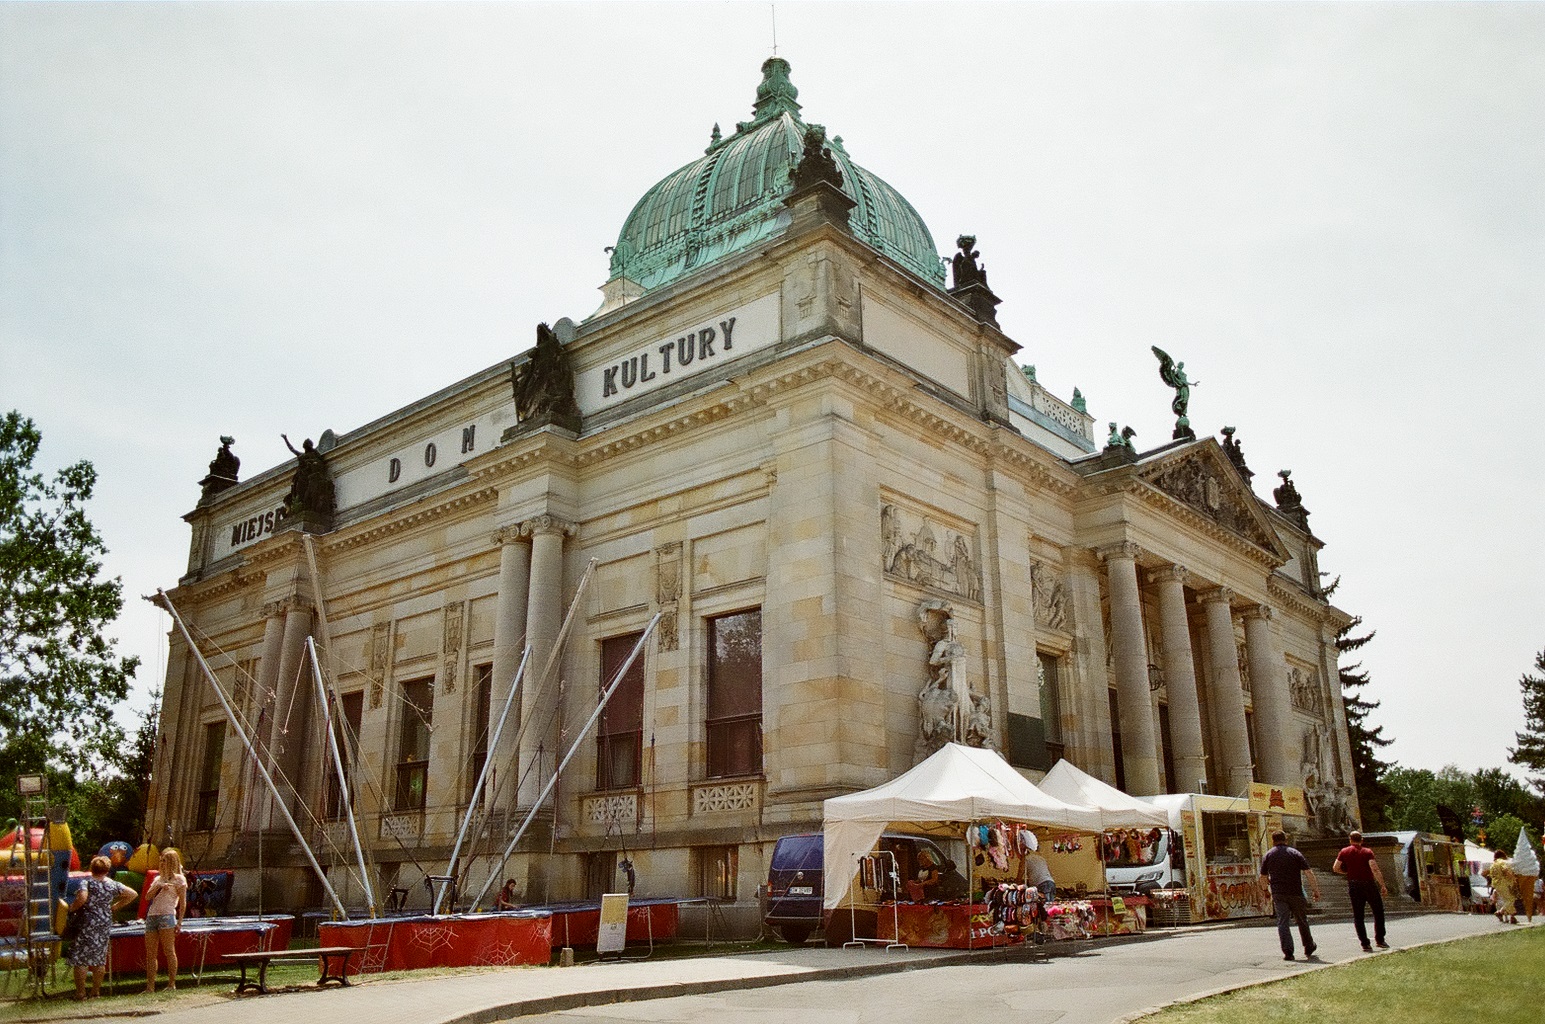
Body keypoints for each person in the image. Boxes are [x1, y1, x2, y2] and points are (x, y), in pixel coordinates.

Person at [68, 855, 139, 1000]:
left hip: (87, 921)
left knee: (82, 958)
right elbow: (132, 894)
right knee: (100, 958)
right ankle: (96, 991)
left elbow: (82, 898)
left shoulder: (87, 882)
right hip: (104, 921)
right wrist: (114, 907)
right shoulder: (112, 884)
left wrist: (71, 908)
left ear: (92, 869)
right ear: (107, 869)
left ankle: (81, 993)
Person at [1258, 830, 1321, 962]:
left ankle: (1288, 951)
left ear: (1273, 840)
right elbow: (1308, 872)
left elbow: (1263, 876)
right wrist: (1315, 890)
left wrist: (1265, 891)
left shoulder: (1268, 855)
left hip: (1278, 892)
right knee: (1302, 920)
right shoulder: (1295, 853)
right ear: (1285, 839)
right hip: (1295, 892)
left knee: (1283, 921)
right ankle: (1308, 946)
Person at [1332, 830, 1389, 952]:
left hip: (1353, 884)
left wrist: (1347, 872)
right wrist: (1382, 885)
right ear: (1361, 840)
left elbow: (1335, 867)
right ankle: (1380, 939)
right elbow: (1374, 868)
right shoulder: (1367, 852)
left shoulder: (1344, 851)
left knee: (1358, 915)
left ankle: (1365, 943)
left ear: (1350, 840)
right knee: (1378, 911)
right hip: (1368, 883)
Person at [142, 848, 188, 992]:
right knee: (150, 953)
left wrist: (179, 922)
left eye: (164, 861)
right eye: (161, 861)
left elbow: (183, 902)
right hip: (152, 915)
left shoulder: (179, 879)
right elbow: (147, 897)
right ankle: (150, 986)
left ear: (172, 862)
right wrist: (158, 886)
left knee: (169, 950)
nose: (161, 863)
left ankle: (171, 984)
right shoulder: (157, 879)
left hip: (167, 916)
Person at [1485, 850, 1518, 924]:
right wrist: (1513, 878)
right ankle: (1500, 912)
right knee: (1511, 899)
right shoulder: (1502, 862)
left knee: (1507, 900)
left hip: (1496, 884)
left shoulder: (1493, 865)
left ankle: (1512, 917)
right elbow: (1506, 870)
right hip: (1504, 883)